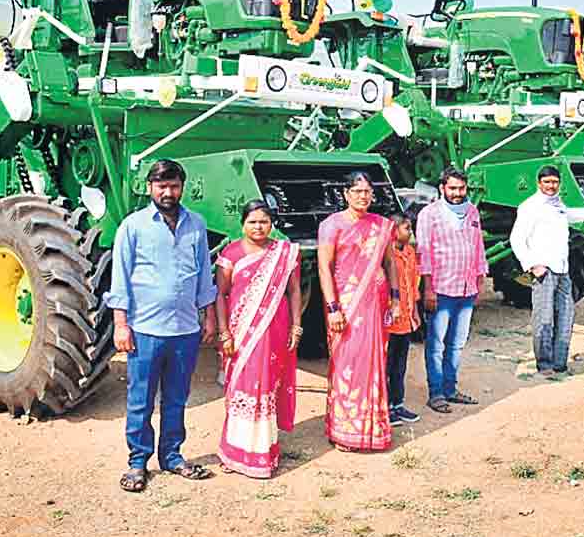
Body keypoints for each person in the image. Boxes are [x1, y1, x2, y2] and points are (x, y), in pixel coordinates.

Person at [108, 159, 218, 493]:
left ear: (182, 187)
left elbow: (204, 275)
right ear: (149, 188)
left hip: (185, 329)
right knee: (140, 397)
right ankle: (137, 462)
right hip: (144, 329)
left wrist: (209, 315)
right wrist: (121, 325)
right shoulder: (133, 226)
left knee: (176, 397)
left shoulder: (196, 224)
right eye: (161, 186)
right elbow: (120, 277)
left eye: (173, 186)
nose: (167, 192)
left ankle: (171, 455)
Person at [213, 200, 302, 478]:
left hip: (275, 329)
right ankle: (234, 451)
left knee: (266, 385)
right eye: (252, 221)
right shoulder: (231, 254)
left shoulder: (284, 253)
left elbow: (295, 291)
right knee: (242, 386)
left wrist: (296, 326)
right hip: (242, 333)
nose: (258, 227)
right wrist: (224, 332)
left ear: (271, 223)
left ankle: (264, 451)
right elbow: (220, 294)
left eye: (264, 221)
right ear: (242, 223)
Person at [317, 171, 399, 452]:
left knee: (373, 364)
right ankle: (343, 431)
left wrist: (397, 299)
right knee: (347, 365)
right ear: (345, 194)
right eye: (357, 191)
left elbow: (390, 264)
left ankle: (372, 428)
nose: (363, 196)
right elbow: (324, 269)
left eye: (367, 191)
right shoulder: (331, 225)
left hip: (375, 304)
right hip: (345, 305)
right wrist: (332, 308)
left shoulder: (381, 225)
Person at [510, 165, 584, 375]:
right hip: (544, 271)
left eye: (555, 182)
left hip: (563, 270)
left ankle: (560, 362)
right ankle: (544, 364)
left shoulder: (557, 203)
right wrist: (532, 265)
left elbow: (567, 215)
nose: (551, 186)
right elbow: (517, 239)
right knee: (544, 318)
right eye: (547, 182)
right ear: (538, 183)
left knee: (566, 315)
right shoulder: (529, 206)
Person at [416, 167, 488, 414]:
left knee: (457, 343)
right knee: (436, 345)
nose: (458, 193)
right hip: (441, 288)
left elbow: (478, 246)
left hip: (466, 287)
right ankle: (436, 393)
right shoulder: (430, 214)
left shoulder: (472, 212)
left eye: (461, 188)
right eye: (453, 188)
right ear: (442, 188)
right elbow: (423, 253)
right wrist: (428, 289)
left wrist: (480, 280)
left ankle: (450, 388)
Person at [385, 214, 422, 426]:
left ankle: (398, 404)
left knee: (400, 366)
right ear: (393, 231)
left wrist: (414, 312)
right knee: (387, 365)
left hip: (406, 319)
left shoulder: (409, 253)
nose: (411, 232)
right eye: (407, 228)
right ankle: (386, 406)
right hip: (391, 321)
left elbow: (413, 285)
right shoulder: (387, 256)